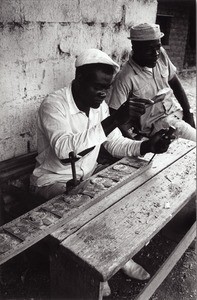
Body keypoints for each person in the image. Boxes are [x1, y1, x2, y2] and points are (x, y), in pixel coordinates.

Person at [30, 48, 175, 296]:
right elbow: (67, 153)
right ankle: (95, 268)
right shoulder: (53, 105)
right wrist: (114, 119)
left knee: (123, 195)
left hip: (85, 178)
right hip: (51, 180)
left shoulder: (99, 107)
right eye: (97, 86)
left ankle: (117, 257)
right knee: (86, 207)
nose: (103, 93)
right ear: (79, 79)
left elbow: (115, 143)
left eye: (107, 87)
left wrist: (146, 145)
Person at [108, 23, 196, 142]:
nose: (155, 53)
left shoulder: (161, 54)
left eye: (158, 47)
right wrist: (137, 146)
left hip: (175, 113)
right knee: (190, 136)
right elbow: (114, 115)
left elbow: (174, 82)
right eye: (149, 49)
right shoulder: (125, 78)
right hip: (156, 126)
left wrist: (188, 113)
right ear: (135, 48)